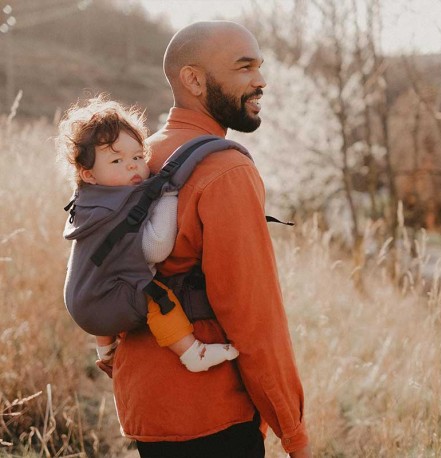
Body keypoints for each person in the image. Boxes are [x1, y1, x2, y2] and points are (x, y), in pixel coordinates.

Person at [111, 21, 311, 458]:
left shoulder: (136, 158)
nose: (260, 81)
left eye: (259, 67)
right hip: (212, 415)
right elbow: (254, 318)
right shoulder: (226, 172)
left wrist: (111, 360)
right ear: (194, 79)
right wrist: (293, 432)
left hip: (145, 404)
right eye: (244, 68)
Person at [57, 95, 239, 374]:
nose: (132, 165)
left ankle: (105, 348)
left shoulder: (89, 200)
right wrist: (168, 196)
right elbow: (156, 248)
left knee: (106, 273)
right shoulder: (116, 207)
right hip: (103, 304)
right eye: (116, 160)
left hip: (81, 299)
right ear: (88, 174)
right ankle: (192, 351)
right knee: (157, 297)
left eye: (138, 156)